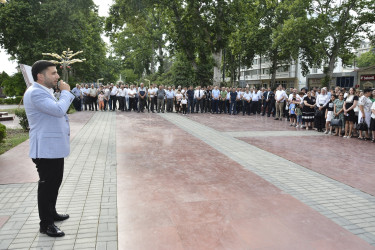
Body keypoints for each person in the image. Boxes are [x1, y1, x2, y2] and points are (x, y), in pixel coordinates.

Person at [24, 60, 73, 237]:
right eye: (53, 73)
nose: (57, 76)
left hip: (52, 148)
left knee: (54, 183)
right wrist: (66, 93)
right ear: (40, 76)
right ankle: (46, 224)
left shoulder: (44, 92)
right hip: (45, 150)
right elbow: (59, 110)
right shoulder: (36, 93)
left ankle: (51, 213)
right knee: (47, 186)